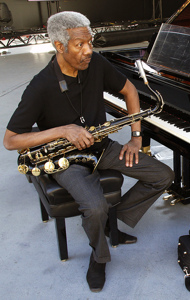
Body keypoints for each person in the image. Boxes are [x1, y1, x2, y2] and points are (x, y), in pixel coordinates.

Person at [3, 11, 174, 292]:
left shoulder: (96, 64)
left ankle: (112, 223)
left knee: (162, 175)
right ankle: (99, 256)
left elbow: (131, 91)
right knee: (94, 206)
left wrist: (135, 138)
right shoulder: (40, 85)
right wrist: (62, 131)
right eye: (79, 45)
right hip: (66, 159)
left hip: (101, 147)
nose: (88, 51)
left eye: (90, 42)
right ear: (59, 46)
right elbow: (11, 140)